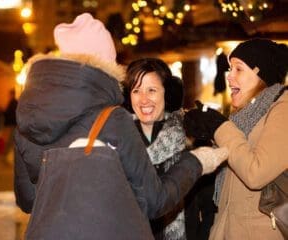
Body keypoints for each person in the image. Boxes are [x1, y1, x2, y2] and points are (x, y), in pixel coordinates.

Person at [13, 13, 228, 238]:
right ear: (105, 66)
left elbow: (29, 201)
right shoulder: (112, 120)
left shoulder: (27, 121)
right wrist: (197, 161)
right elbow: (154, 201)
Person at [184, 38, 288, 240]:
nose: (229, 77)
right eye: (230, 69)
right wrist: (205, 137)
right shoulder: (245, 116)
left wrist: (220, 127)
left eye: (239, 69)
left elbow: (255, 173)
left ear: (261, 74)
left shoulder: (283, 110)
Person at [123, 58, 217, 240]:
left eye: (152, 90)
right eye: (136, 91)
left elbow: (209, 207)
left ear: (167, 93)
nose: (143, 99)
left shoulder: (191, 137)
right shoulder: (120, 142)